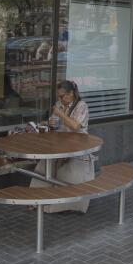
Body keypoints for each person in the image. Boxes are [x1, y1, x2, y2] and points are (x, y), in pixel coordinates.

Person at [30, 80, 95, 213]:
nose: (60, 99)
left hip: (77, 146)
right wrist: (50, 122)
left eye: (62, 96)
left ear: (71, 93)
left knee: (68, 172)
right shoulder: (60, 104)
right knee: (43, 165)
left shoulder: (81, 106)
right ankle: (35, 199)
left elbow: (75, 126)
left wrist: (61, 114)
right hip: (60, 144)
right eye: (58, 96)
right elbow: (55, 122)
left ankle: (60, 205)